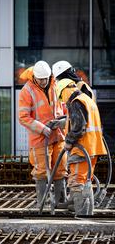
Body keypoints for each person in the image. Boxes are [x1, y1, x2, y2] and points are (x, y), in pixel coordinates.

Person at [18, 60, 67, 207]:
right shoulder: (27, 91)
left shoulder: (56, 85)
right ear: (34, 77)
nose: (44, 81)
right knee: (41, 171)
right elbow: (23, 117)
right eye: (41, 79)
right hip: (40, 138)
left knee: (61, 168)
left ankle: (60, 202)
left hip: (58, 135)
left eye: (46, 78)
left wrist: (64, 121)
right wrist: (42, 128)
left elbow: (63, 107)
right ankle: (43, 203)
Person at [55, 78, 107, 215]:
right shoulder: (87, 99)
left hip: (81, 149)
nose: (63, 101)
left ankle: (82, 217)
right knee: (85, 181)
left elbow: (79, 127)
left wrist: (69, 141)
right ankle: (88, 215)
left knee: (77, 183)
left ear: (65, 91)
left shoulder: (76, 103)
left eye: (61, 96)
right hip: (93, 148)